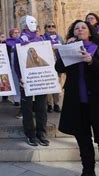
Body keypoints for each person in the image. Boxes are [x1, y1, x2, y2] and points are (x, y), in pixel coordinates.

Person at [56, 20, 99, 176]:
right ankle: (88, 171)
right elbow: (59, 68)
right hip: (78, 102)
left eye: (83, 27)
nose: (80, 30)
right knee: (83, 139)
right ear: (73, 32)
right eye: (76, 28)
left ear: (90, 31)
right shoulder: (70, 48)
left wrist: (91, 61)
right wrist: (65, 48)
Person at [15, 15, 50, 147]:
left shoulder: (41, 40)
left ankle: (41, 133)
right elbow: (17, 63)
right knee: (27, 107)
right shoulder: (20, 42)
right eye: (31, 23)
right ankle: (30, 134)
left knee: (42, 106)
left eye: (35, 22)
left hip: (41, 78)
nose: (33, 25)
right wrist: (20, 77)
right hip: (26, 79)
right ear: (24, 26)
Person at [43, 22, 64, 113]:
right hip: (47, 64)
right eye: (49, 26)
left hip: (58, 63)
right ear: (45, 28)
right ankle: (49, 104)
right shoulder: (42, 38)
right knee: (48, 84)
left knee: (57, 84)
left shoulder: (60, 38)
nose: (51, 28)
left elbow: (64, 48)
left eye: (53, 26)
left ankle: (56, 103)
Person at [6, 28, 22, 118]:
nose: (17, 34)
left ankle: (19, 98)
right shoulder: (8, 42)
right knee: (14, 80)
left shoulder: (21, 41)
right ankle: (16, 99)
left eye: (18, 32)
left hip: (19, 62)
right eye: (15, 33)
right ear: (11, 34)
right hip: (11, 63)